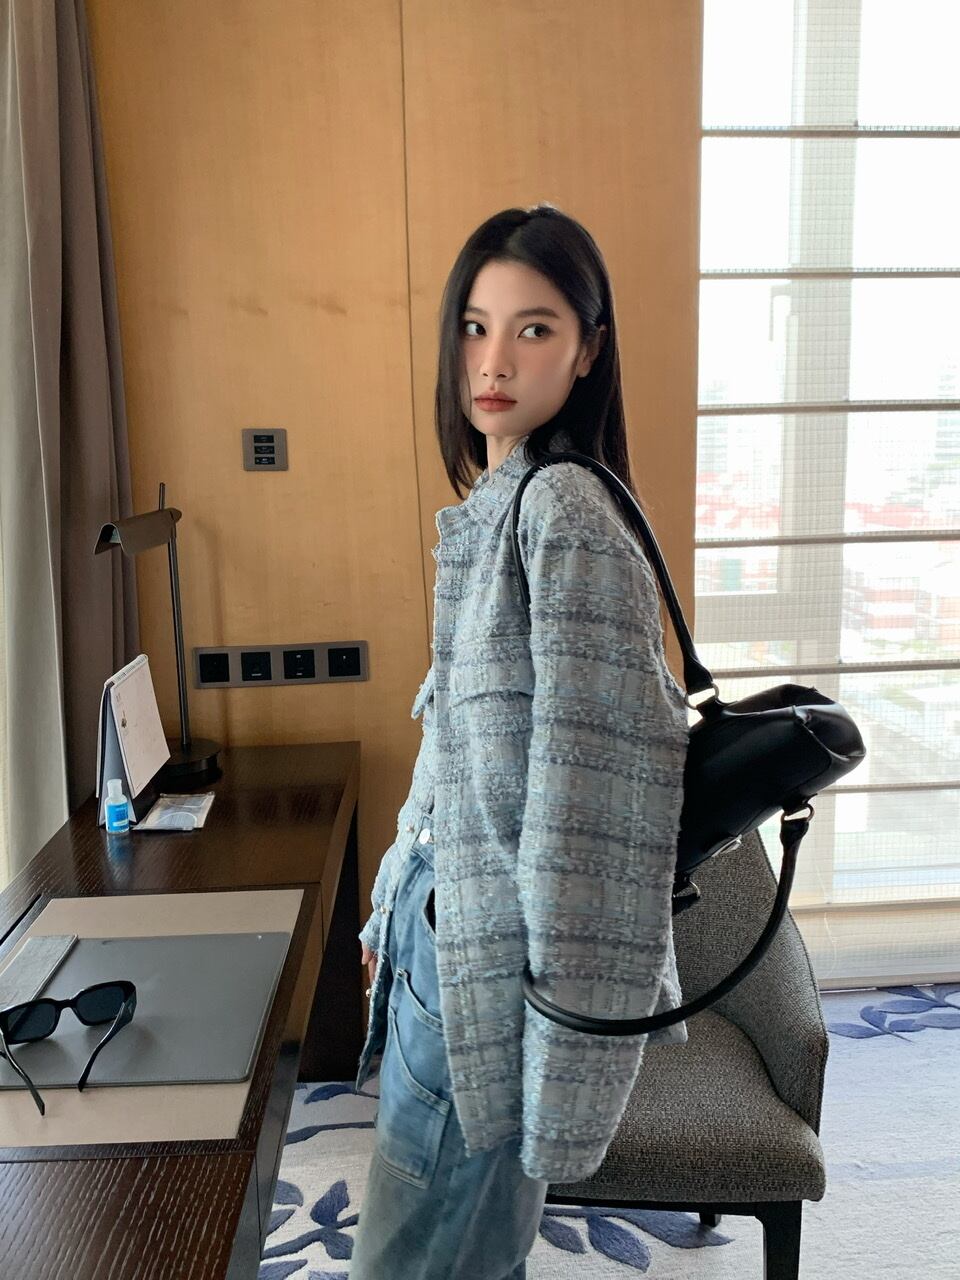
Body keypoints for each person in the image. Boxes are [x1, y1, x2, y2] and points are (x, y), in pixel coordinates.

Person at [350, 203, 689, 1279]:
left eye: (534, 328)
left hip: (490, 977)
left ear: (588, 350)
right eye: (475, 325)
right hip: (443, 936)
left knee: (422, 1260)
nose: (494, 360)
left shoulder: (563, 514)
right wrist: (392, 901)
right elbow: (453, 744)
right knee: (445, 1245)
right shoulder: (500, 501)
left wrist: (561, 1039)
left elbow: (591, 810)